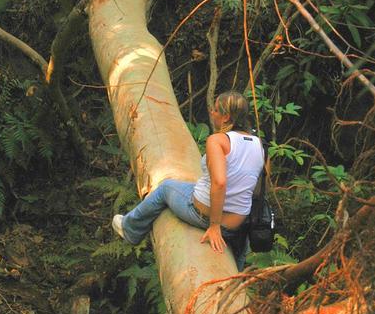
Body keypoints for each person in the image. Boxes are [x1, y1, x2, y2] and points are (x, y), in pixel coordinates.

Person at [112, 91, 265, 271]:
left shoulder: (218, 140)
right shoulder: (259, 144)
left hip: (206, 216)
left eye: (215, 110)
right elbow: (257, 188)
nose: (211, 112)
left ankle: (130, 229)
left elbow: (220, 182)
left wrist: (215, 226)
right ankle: (237, 274)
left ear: (226, 117)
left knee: (166, 187)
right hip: (237, 225)